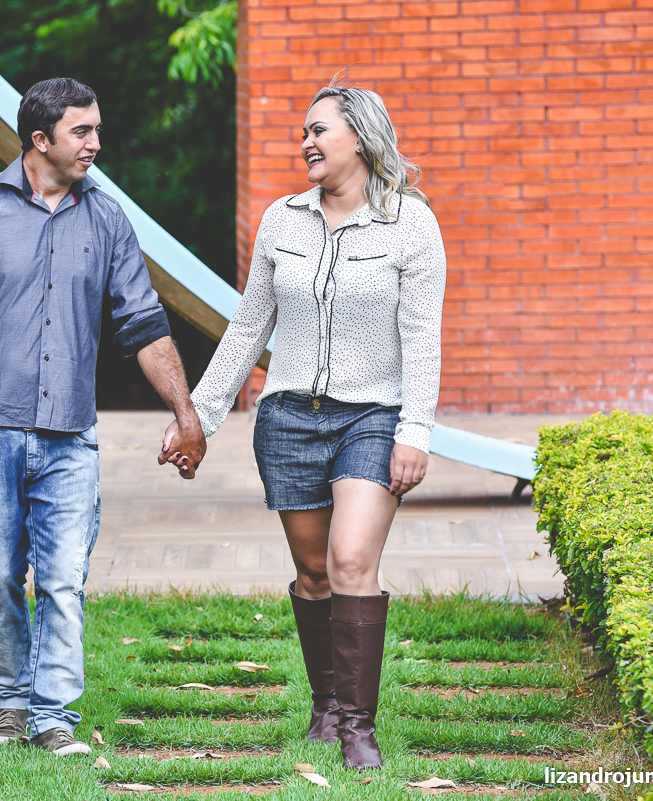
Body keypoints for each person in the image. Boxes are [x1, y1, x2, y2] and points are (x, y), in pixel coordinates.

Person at [0, 77, 206, 757]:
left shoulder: (108, 219)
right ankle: (11, 703)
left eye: (96, 129)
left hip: (71, 434)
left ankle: (52, 715)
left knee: (64, 578)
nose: (96, 143)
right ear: (40, 139)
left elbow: (144, 324)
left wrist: (186, 413)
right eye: (82, 131)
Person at [161, 80, 446, 769]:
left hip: (372, 418)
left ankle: (358, 727)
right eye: (304, 132)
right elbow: (248, 326)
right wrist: (198, 416)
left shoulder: (410, 225)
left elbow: (423, 337)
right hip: (288, 419)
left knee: (353, 559)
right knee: (315, 572)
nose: (307, 142)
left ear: (361, 137)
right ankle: (325, 702)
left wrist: (417, 429)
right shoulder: (281, 221)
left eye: (320, 130)